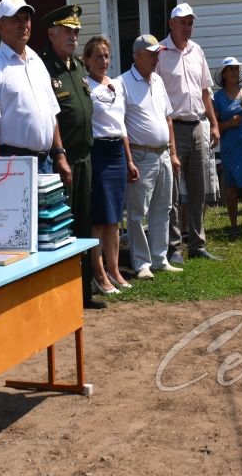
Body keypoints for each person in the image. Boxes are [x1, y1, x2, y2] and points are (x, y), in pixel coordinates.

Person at [40, 4, 105, 309]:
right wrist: (59, 154)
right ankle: (61, 295)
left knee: (83, 224)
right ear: (52, 33)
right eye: (68, 31)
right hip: (61, 163)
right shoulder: (43, 68)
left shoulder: (78, 66)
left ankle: (83, 292)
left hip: (85, 159)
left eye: (76, 31)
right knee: (60, 229)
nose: (74, 36)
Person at [0, 0, 70, 182]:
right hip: (12, 166)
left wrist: (59, 154)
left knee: (46, 213)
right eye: (16, 19)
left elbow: (52, 112)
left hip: (45, 163)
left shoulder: (37, 61)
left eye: (26, 18)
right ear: (0, 26)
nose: (23, 24)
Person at [157, 3, 221, 262]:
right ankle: (174, 247)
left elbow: (206, 91)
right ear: (171, 24)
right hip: (173, 128)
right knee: (172, 192)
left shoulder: (197, 52)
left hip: (198, 126)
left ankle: (197, 244)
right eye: (182, 23)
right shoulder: (160, 53)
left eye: (190, 23)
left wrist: (214, 123)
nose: (187, 28)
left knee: (198, 189)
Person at [120, 35, 181, 279]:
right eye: (152, 54)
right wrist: (129, 160)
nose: (157, 58)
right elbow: (120, 125)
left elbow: (168, 118)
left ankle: (159, 258)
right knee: (137, 212)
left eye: (158, 53)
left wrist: (173, 153)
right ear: (137, 56)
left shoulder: (157, 80)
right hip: (140, 154)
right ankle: (141, 263)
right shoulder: (123, 83)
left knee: (162, 208)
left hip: (163, 154)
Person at [83, 35, 135, 292]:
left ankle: (114, 270)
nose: (103, 61)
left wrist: (129, 159)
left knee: (114, 218)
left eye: (106, 56)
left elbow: (121, 125)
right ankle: (98, 271)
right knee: (99, 219)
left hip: (117, 153)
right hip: (99, 153)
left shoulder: (115, 85)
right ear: (87, 60)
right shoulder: (85, 86)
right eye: (98, 56)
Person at [212, 57, 242, 237]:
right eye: (230, 69)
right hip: (229, 146)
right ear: (223, 74)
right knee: (231, 187)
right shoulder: (217, 97)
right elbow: (215, 125)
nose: (234, 72)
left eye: (236, 69)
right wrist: (229, 123)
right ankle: (233, 226)